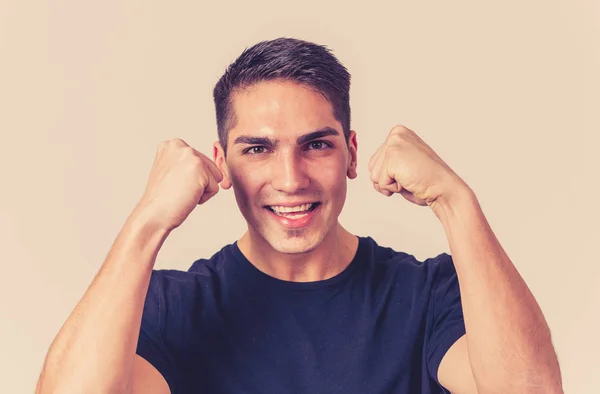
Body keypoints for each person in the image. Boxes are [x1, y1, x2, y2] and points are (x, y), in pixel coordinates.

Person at [36, 37, 563, 394]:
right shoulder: (175, 306)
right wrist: (148, 220)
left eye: (316, 145)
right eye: (258, 149)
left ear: (352, 153)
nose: (291, 179)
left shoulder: (430, 294)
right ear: (220, 163)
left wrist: (456, 200)